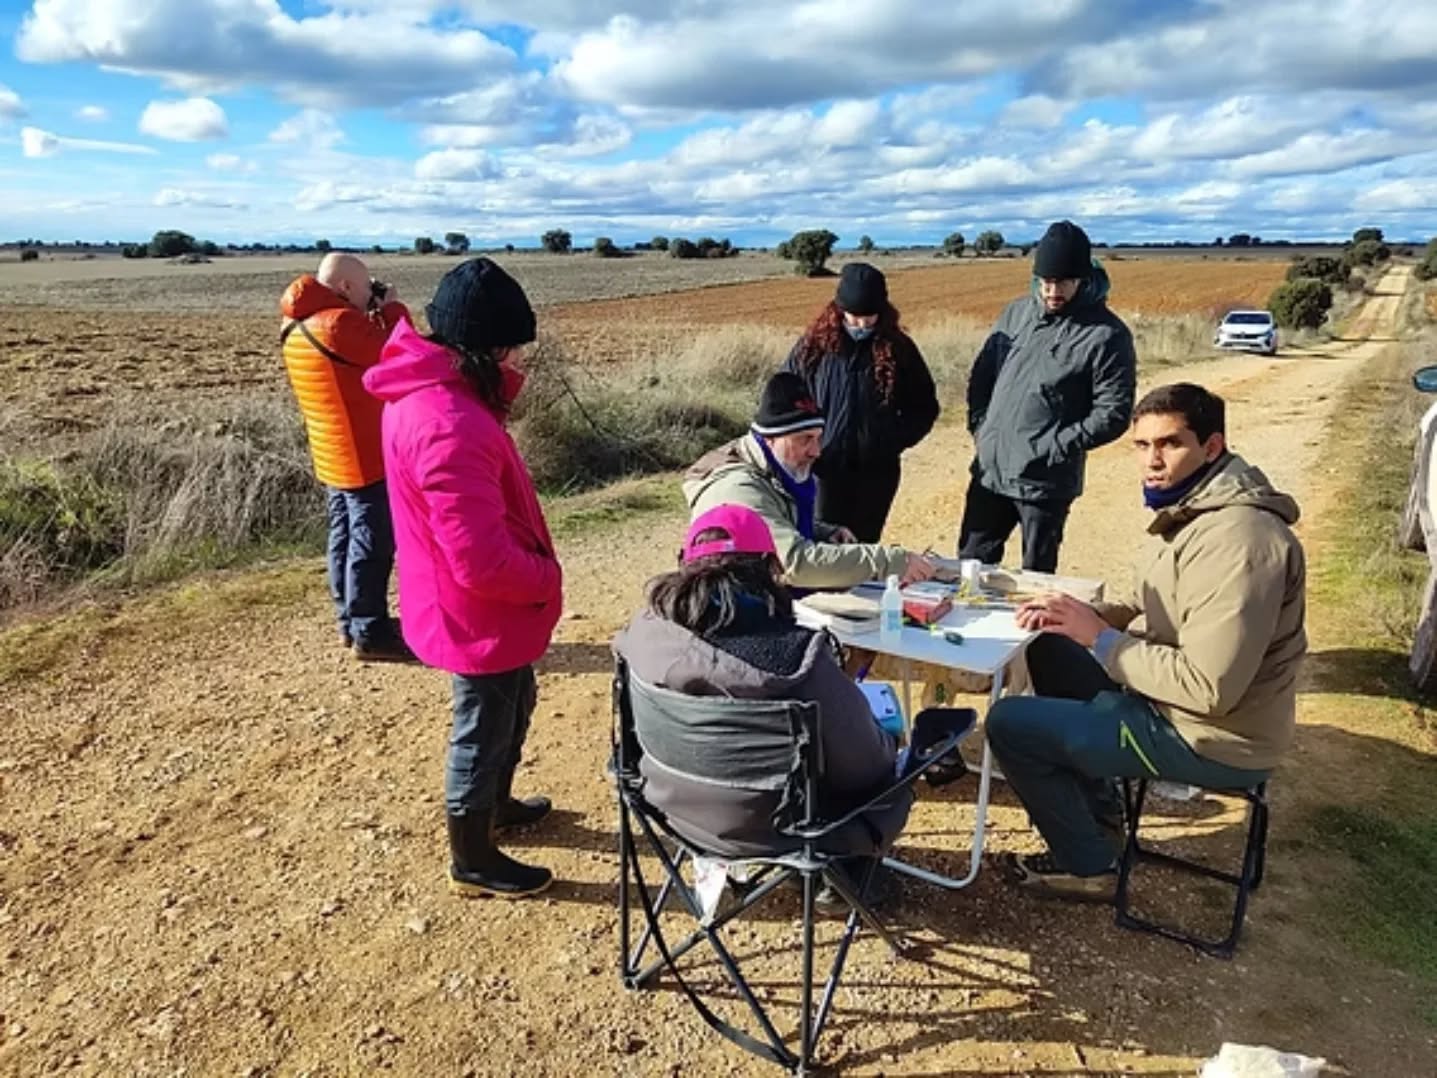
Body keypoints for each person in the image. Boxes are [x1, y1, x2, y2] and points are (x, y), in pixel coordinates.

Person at [985, 383, 1307, 902]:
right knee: (1049, 646)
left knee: (1008, 724)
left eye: (1170, 444)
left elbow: (1209, 690)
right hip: (1178, 709)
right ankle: (1103, 818)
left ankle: (1087, 865)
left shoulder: (1237, 541)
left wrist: (1102, 638)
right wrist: (1076, 617)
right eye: (1142, 445)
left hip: (1209, 735)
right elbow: (1143, 597)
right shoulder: (1197, 509)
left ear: (1212, 446)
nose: (1152, 461)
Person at [362, 257, 562, 899]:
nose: (513, 357)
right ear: (486, 344)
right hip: (478, 609)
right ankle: (472, 856)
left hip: (471, 602)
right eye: (508, 344)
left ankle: (497, 807)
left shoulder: (433, 395)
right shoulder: (448, 423)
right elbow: (480, 559)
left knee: (514, 705)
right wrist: (544, 576)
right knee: (483, 727)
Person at [613, 504, 916, 908]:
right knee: (886, 761)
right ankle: (843, 877)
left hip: (671, 810)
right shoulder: (796, 660)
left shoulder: (642, 636)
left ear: (684, 563)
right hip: (784, 831)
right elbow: (867, 766)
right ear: (771, 568)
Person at [960, 221, 1137, 573]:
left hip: (1045, 483)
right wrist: (980, 426)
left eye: (1064, 282)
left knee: (1036, 580)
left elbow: (1113, 413)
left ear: (1083, 280)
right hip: (990, 471)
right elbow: (982, 375)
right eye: (1046, 282)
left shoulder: (1107, 335)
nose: (1053, 291)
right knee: (969, 569)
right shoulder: (1016, 314)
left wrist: (1052, 447)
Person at [684, 371, 936, 590]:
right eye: (805, 439)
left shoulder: (770, 464)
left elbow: (774, 519)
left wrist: (822, 532)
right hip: (733, 610)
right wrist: (889, 561)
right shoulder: (739, 488)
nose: (816, 451)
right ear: (771, 438)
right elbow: (796, 563)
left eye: (818, 438)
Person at [280, 252, 413, 661]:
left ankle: (349, 621)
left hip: (331, 450)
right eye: (366, 285)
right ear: (346, 288)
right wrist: (391, 308)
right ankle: (371, 631)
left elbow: (358, 361)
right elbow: (401, 353)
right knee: (372, 545)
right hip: (363, 454)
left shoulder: (297, 322)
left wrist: (371, 312)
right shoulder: (339, 323)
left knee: (342, 538)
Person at [783, 262, 940, 542]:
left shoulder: (899, 348)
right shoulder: (813, 347)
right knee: (821, 546)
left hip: (876, 474)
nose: (863, 324)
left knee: (864, 548)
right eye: (855, 316)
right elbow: (785, 396)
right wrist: (804, 444)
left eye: (871, 316)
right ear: (838, 309)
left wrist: (891, 440)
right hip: (822, 469)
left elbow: (925, 405)